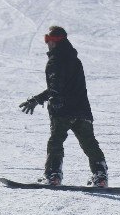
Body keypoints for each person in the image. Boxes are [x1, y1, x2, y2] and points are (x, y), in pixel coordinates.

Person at [19, 26, 109, 187]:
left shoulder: (55, 61)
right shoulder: (76, 61)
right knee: (89, 143)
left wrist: (43, 100)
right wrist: (39, 99)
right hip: (82, 110)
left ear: (54, 41)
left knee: (56, 142)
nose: (47, 43)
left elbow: (55, 86)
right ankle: (100, 176)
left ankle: (53, 175)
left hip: (62, 111)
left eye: (48, 40)